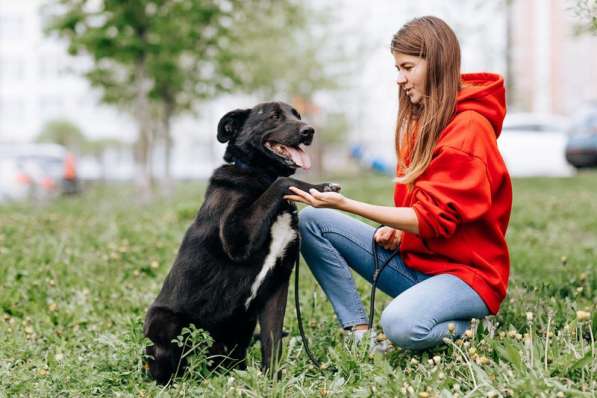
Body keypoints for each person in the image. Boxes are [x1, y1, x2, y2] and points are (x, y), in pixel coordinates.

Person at [284, 15, 512, 351]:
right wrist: (401, 231)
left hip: (468, 279)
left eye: (408, 67)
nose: (400, 79)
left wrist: (347, 204)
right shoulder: (425, 125)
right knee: (314, 221)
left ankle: (467, 329)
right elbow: (421, 211)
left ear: (436, 63)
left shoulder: (469, 130)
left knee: (401, 326)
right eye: (397, 69)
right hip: (420, 266)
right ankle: (359, 337)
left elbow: (434, 220)